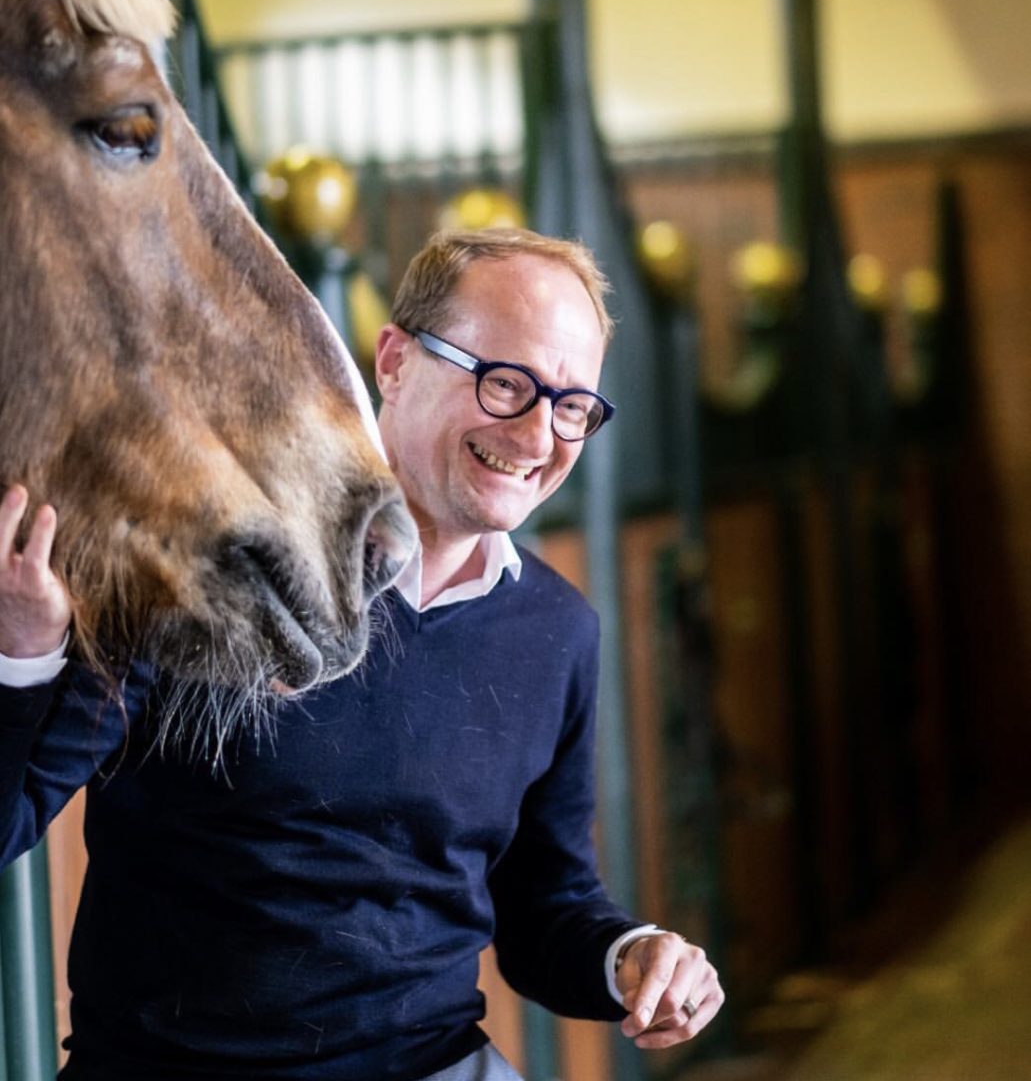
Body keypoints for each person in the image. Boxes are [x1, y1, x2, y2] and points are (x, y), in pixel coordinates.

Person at [0, 227, 723, 1081]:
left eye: (571, 406)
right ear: (393, 361)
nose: (537, 435)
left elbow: (541, 908)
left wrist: (631, 957)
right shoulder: (210, 568)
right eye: (504, 383)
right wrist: (23, 656)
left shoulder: (555, 631)